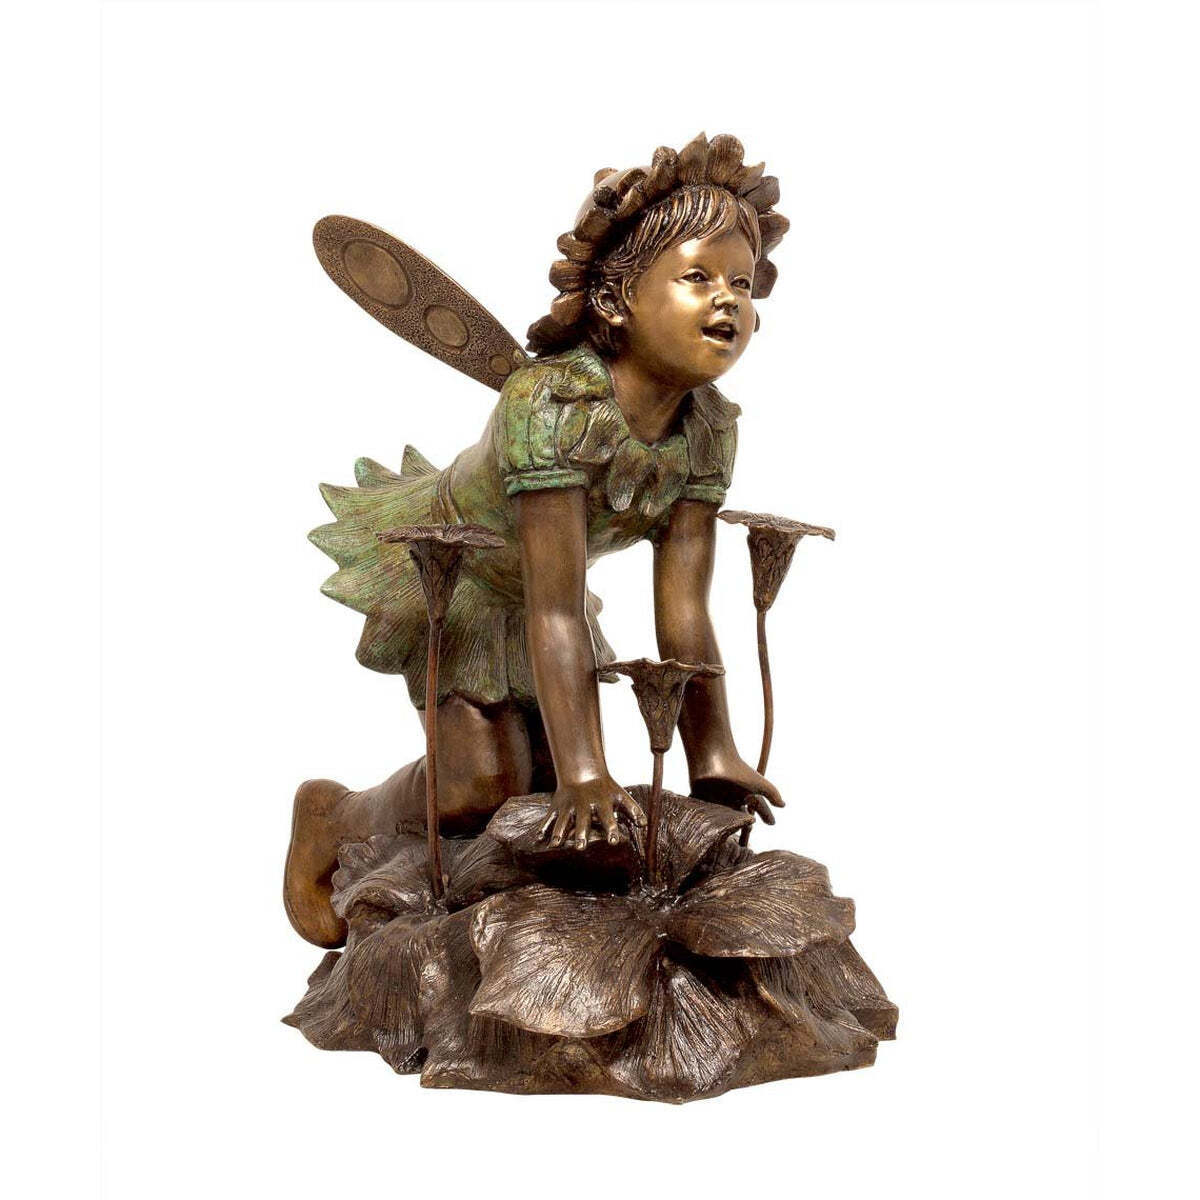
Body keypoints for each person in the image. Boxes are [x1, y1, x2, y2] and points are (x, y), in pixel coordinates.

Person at [285, 134, 789, 947]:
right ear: (616, 301)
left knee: (547, 793)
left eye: (741, 282)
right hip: (453, 572)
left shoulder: (706, 429)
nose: (727, 300)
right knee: (482, 786)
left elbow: (685, 610)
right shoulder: (551, 406)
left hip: (548, 598)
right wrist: (588, 769)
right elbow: (553, 609)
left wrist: (714, 750)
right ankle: (334, 813)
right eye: (697, 278)